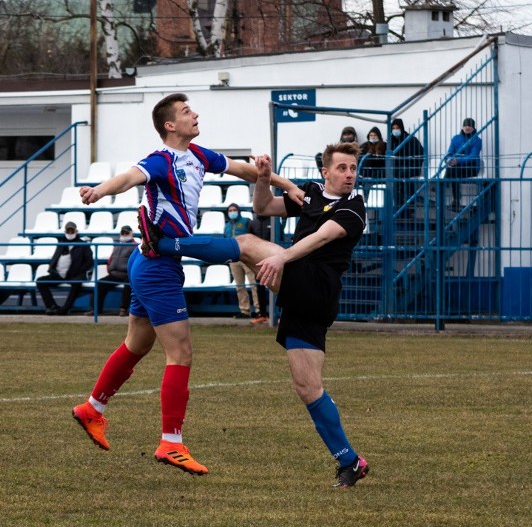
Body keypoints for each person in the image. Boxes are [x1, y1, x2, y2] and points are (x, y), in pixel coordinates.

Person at [71, 92, 303, 475]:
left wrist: (284, 183)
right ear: (169, 125)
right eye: (185, 112)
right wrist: (98, 191)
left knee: (137, 344)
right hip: (157, 265)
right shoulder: (161, 161)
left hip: (155, 263)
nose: (194, 115)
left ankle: (92, 409)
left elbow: (244, 170)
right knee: (180, 354)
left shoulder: (198, 155)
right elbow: (129, 178)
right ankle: (171, 443)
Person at [137, 143, 370, 488]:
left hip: (316, 286)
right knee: (308, 387)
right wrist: (262, 179)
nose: (349, 174)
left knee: (245, 243)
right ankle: (350, 460)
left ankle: (165, 243)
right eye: (342, 168)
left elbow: (322, 237)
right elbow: (262, 207)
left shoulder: (354, 207)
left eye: (353, 168)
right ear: (326, 172)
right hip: (301, 294)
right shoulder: (311, 193)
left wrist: (281, 258)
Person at [36, 221, 94, 315]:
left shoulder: (83, 245)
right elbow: (55, 258)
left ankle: (65, 308)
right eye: (68, 231)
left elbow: (89, 262)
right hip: (58, 274)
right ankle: (52, 306)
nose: (70, 233)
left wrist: (79, 271)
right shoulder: (61, 244)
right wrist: (52, 270)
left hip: (74, 275)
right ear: (65, 232)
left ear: (76, 231)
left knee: (77, 284)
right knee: (40, 281)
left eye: (72, 231)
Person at [88, 225, 135, 317]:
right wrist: (109, 268)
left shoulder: (134, 246)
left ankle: (123, 309)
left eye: (126, 233)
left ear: (131, 233)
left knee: (128, 285)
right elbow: (111, 258)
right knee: (100, 283)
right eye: (123, 233)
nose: (124, 235)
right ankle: (96, 309)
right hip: (115, 274)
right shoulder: (117, 245)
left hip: (127, 274)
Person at [224, 202, 260, 319]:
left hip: (246, 256)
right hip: (233, 259)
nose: (232, 212)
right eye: (230, 210)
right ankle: (245, 310)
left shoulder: (246, 221)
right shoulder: (227, 226)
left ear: (238, 211)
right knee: (239, 285)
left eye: (234, 210)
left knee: (253, 284)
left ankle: (258, 309)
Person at [443, 117, 483, 210]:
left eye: (469, 125)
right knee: (453, 170)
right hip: (457, 167)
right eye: (465, 125)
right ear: (462, 127)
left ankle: (444, 186)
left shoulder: (477, 140)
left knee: (453, 171)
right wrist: (448, 159)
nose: (467, 127)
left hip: (471, 168)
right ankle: (455, 199)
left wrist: (457, 160)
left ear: (473, 128)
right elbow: (449, 152)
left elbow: (473, 156)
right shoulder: (455, 138)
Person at [387, 118, 424, 210]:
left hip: (411, 168)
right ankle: (399, 207)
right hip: (396, 170)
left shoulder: (411, 139)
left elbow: (420, 154)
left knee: (403, 179)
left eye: (397, 128)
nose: (395, 130)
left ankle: (407, 208)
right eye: (393, 128)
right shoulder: (390, 141)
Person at [247, 212, 272, 324]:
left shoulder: (273, 222)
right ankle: (262, 314)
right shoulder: (252, 223)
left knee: (276, 286)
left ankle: (277, 314)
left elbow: (279, 237)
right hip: (258, 259)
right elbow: (249, 241)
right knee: (259, 286)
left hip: (272, 258)